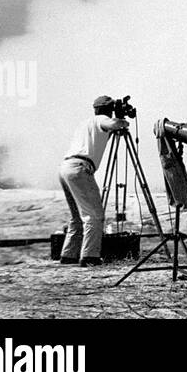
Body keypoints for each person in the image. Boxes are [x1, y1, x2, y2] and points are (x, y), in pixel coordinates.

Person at [58, 95, 129, 267]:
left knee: (77, 217)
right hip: (80, 168)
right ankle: (90, 257)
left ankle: (69, 255)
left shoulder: (85, 122)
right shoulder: (101, 120)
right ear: (108, 109)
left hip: (66, 166)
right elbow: (114, 125)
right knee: (95, 215)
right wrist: (121, 121)